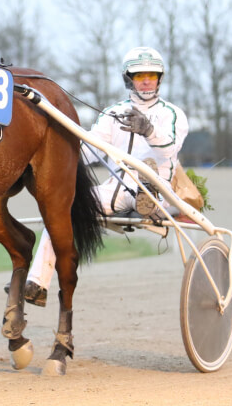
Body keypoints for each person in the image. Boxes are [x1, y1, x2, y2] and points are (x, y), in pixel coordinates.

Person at [23, 46, 189, 307]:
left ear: (160, 78)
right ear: (128, 79)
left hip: (160, 187)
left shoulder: (172, 114)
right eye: (139, 75)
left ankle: (148, 199)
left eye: (152, 75)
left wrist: (147, 129)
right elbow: (88, 152)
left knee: (147, 188)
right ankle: (36, 283)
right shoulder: (113, 114)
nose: (146, 80)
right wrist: (54, 143)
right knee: (61, 211)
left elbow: (170, 147)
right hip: (114, 190)